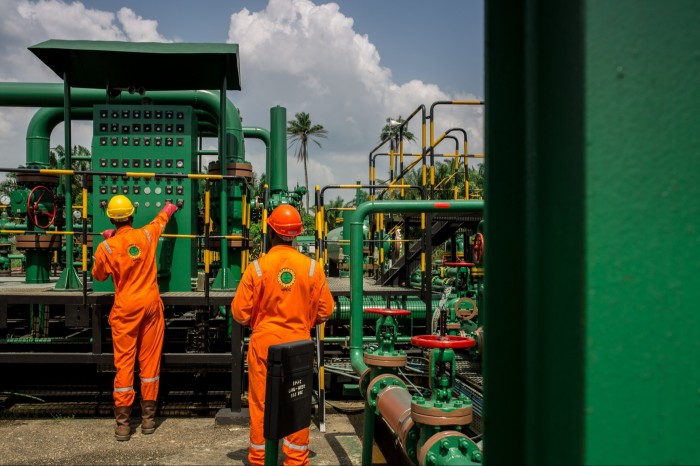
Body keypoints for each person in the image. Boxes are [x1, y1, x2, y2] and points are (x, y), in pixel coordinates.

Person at [232, 204, 335, 466]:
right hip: (299, 345)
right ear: (296, 234)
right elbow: (325, 311)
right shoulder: (312, 268)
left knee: (260, 404)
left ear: (270, 231)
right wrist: (304, 320)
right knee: (297, 402)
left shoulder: (256, 268)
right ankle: (296, 459)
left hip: (264, 345)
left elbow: (240, 315)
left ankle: (260, 458)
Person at [91, 194, 178, 441]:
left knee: (125, 363)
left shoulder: (106, 247)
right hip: (151, 305)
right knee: (150, 363)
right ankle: (149, 419)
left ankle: (123, 424)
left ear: (111, 218)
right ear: (131, 215)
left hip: (126, 308)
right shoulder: (146, 235)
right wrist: (169, 209)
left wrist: (110, 242)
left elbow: (98, 276)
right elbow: (159, 221)